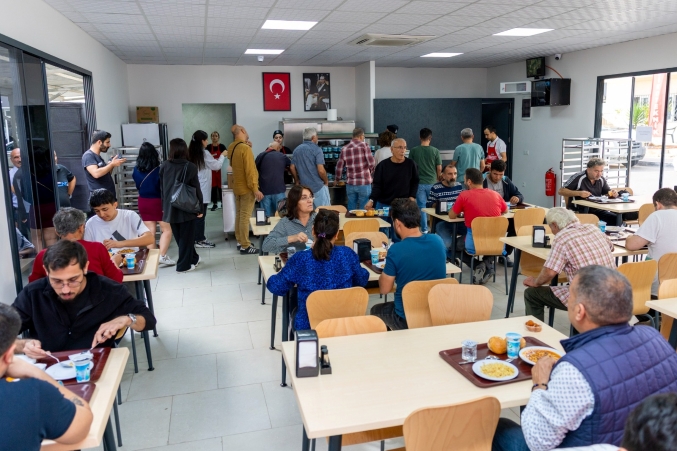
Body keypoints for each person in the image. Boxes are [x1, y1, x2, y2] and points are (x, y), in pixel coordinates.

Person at [492, 266, 677, 451]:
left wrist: (540, 384)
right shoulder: (655, 337)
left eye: (570, 296)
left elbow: (538, 441)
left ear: (579, 311)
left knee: (499, 428)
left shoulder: (576, 371)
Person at [13, 240, 157, 356]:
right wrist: (22, 345)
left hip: (95, 366)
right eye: (57, 281)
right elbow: (4, 334)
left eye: (73, 280)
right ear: (46, 271)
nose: (65, 289)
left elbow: (149, 320)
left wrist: (127, 319)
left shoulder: (108, 290)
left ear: (85, 268)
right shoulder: (33, 293)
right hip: (46, 367)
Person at [0, 303, 93, 450]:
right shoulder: (31, 394)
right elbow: (83, 423)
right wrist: (35, 373)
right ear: (9, 355)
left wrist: (22, 344)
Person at [266, 209, 369, 331]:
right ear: (337, 234)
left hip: (310, 328)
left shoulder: (300, 259)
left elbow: (276, 287)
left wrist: (276, 274)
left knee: (294, 300)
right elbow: (362, 280)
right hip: (344, 325)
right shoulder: (348, 254)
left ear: (313, 231)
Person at [522, 208, 615, 322]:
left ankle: (535, 331)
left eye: (551, 227)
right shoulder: (593, 228)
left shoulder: (562, 237)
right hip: (614, 292)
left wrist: (536, 282)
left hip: (589, 298)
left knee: (532, 294)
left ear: (554, 225)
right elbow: (611, 247)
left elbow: (550, 272)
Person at [371, 198, 447, 330]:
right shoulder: (438, 241)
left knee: (376, 310)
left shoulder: (396, 250)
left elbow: (384, 289)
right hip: (436, 313)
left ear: (397, 223)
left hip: (405, 318)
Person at [29, 207, 123, 283]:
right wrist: (114, 262)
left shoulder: (43, 255)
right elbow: (116, 280)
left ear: (57, 232)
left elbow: (33, 286)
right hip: (94, 299)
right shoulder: (97, 248)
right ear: (81, 228)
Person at [449, 168, 508, 284]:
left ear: (469, 182)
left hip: (474, 244)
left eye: (465, 180)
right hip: (497, 243)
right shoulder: (495, 194)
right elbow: (505, 210)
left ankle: (478, 265)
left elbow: (452, 215)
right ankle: (487, 265)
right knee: (491, 247)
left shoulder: (464, 195)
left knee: (452, 247)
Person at [160, 138, 203, 273]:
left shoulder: (164, 165)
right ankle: (183, 266)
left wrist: (164, 206)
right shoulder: (190, 166)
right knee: (186, 237)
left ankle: (194, 258)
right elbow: (196, 188)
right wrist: (200, 207)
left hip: (170, 206)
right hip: (186, 206)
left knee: (180, 237)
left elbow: (162, 187)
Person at [625, 188, 677, 297]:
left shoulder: (657, 216)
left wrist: (629, 237)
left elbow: (632, 245)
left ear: (658, 205)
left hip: (658, 286)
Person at [131, 142, 175, 266]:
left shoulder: (135, 170)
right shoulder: (159, 170)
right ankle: (162, 256)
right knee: (166, 230)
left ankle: (153, 258)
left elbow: (137, 186)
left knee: (150, 232)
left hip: (143, 201)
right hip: (158, 201)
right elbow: (164, 188)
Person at [559, 158, 632, 224]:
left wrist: (613, 193)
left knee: (617, 220)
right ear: (588, 170)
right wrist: (579, 193)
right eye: (596, 171)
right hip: (580, 211)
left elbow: (607, 193)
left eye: (601, 171)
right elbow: (561, 191)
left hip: (597, 210)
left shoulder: (601, 179)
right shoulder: (579, 178)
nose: (599, 174)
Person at [227, 125, 264, 254]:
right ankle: (245, 246)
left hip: (237, 187)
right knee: (245, 216)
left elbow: (235, 164)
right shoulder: (245, 148)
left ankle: (240, 241)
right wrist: (255, 189)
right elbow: (250, 171)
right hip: (247, 188)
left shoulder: (232, 147)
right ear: (242, 131)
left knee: (239, 214)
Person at [84, 188, 154, 254]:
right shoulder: (91, 223)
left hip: (130, 258)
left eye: (105, 209)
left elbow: (149, 238)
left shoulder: (129, 216)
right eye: (97, 211)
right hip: (104, 260)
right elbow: (87, 248)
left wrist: (120, 243)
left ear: (115, 205)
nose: (102, 214)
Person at [189, 129, 226, 249]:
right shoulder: (204, 153)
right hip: (202, 189)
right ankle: (200, 239)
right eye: (206, 140)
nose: (207, 142)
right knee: (201, 215)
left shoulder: (191, 152)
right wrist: (222, 156)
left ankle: (195, 237)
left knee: (196, 214)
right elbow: (216, 166)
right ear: (202, 141)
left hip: (193, 188)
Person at [483, 159, 524, 265]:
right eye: (495, 174)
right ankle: (489, 256)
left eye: (500, 174)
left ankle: (504, 254)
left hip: (504, 216)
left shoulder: (506, 180)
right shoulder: (482, 180)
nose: (498, 177)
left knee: (517, 227)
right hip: (487, 218)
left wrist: (517, 198)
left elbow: (519, 194)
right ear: (490, 170)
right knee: (493, 230)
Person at [365, 138, 418, 213]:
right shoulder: (382, 165)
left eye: (404, 147)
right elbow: (377, 185)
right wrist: (372, 200)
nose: (403, 150)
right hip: (384, 204)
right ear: (392, 149)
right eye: (400, 147)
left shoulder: (411, 164)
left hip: (404, 205)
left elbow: (415, 181)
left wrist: (412, 196)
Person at [262, 185, 316, 254]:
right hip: (294, 259)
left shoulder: (319, 218)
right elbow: (266, 246)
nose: (310, 201)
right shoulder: (285, 223)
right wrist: (293, 238)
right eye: (304, 198)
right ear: (295, 202)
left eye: (310, 197)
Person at [426, 163, 464, 261]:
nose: (453, 177)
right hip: (442, 221)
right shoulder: (436, 188)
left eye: (455, 174)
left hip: (458, 220)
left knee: (473, 237)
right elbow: (428, 204)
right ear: (443, 175)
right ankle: (450, 258)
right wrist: (438, 205)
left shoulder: (459, 186)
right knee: (448, 243)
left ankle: (451, 255)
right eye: (450, 174)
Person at [408, 128, 442, 233]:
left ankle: (424, 230)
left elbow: (410, 167)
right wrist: (438, 177)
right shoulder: (435, 151)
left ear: (420, 137)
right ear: (430, 138)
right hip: (432, 182)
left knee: (422, 207)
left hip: (419, 183)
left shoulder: (414, 150)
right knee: (434, 206)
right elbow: (439, 168)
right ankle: (434, 229)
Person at [335, 128, 375, 212]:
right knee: (364, 209)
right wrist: (371, 172)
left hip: (350, 183)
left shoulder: (345, 148)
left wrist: (337, 179)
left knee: (351, 209)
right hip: (364, 183)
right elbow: (371, 163)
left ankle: (351, 220)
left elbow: (339, 166)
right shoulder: (364, 146)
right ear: (361, 136)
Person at [290, 127, 330, 208]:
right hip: (318, 187)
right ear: (313, 137)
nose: (317, 137)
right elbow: (321, 170)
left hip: (304, 189)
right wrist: (326, 181)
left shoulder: (296, 150)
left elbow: (292, 167)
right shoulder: (317, 149)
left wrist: (297, 181)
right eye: (317, 136)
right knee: (325, 212)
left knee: (309, 213)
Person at [82, 130, 125, 199]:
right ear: (99, 142)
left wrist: (111, 164)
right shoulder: (88, 156)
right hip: (99, 199)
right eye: (107, 142)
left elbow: (106, 174)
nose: (109, 145)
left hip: (108, 197)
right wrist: (111, 164)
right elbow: (96, 174)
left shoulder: (98, 156)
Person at [256, 141, 292, 218]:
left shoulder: (261, 155)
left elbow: (254, 170)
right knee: (281, 217)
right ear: (278, 148)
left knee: (265, 218)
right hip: (279, 190)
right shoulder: (282, 156)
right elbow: (292, 166)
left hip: (264, 191)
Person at [9, 148, 30, 239]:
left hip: (33, 209)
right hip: (19, 210)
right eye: (16, 157)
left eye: (21, 156)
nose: (20, 159)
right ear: (11, 160)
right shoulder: (9, 175)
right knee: (24, 236)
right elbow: (17, 191)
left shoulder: (31, 171)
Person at [207, 131, 226, 211]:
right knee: (213, 187)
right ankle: (214, 204)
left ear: (218, 137)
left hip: (221, 170)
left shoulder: (222, 146)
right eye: (213, 136)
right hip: (211, 171)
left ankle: (222, 202)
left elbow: (226, 155)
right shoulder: (208, 147)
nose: (214, 137)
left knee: (221, 187)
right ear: (211, 137)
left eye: (216, 136)